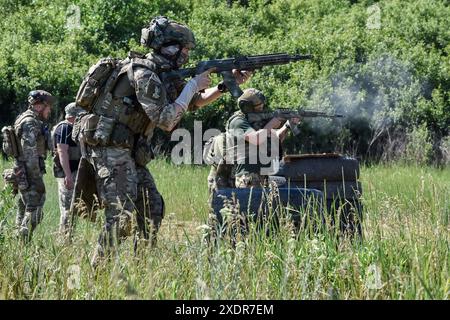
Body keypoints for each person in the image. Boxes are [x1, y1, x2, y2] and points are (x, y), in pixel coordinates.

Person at [74, 16, 251, 266]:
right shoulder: (144, 74)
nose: (187, 55)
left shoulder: (161, 74)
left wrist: (223, 86)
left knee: (152, 208)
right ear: (170, 47)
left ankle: (141, 266)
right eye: (185, 49)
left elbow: (193, 102)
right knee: (121, 215)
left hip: (130, 151)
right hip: (111, 148)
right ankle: (98, 272)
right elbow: (167, 120)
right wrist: (192, 85)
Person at [226, 88, 300, 188]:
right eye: (259, 107)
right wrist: (272, 123)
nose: (262, 108)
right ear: (248, 107)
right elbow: (256, 139)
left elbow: (276, 138)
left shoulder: (257, 123)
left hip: (262, 175)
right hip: (247, 177)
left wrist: (287, 126)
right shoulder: (238, 121)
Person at [13, 90, 54, 241]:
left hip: (23, 171)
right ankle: (22, 241)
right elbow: (29, 153)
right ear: (40, 106)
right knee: (35, 209)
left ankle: (18, 239)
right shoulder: (30, 122)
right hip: (29, 173)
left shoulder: (25, 118)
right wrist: (36, 178)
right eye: (48, 107)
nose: (50, 110)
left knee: (24, 208)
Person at [52, 102, 84, 236]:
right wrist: (68, 175)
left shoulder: (72, 127)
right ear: (75, 115)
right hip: (67, 174)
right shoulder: (64, 128)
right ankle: (64, 240)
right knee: (67, 210)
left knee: (72, 209)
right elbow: (62, 152)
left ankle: (68, 238)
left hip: (73, 172)